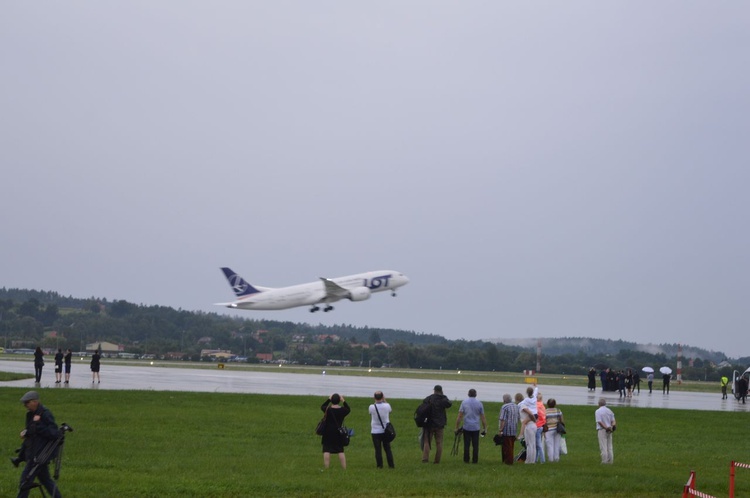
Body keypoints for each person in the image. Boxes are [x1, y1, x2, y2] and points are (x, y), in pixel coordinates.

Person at [16, 391, 63, 498]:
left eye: (27, 403)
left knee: (25, 482)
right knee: (46, 480)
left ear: (35, 402)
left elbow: (54, 433)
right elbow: (31, 433)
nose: (25, 406)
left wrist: (38, 426)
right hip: (33, 454)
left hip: (40, 455)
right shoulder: (30, 414)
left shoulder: (45, 414)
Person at [454, 388, 487, 464]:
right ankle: (475, 460)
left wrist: (456, 427)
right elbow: (482, 417)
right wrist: (485, 428)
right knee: (475, 445)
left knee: (467, 444)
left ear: (468, 394)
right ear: (476, 394)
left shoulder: (464, 402)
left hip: (467, 427)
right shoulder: (479, 403)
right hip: (476, 427)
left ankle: (466, 459)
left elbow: (460, 416)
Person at [421, 385, 452, 464]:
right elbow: (449, 404)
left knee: (427, 441)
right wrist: (443, 395)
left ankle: (425, 458)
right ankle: (437, 460)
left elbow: (423, 403)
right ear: (441, 390)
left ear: (434, 390)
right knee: (439, 443)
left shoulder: (429, 398)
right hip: (440, 424)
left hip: (429, 423)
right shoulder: (443, 399)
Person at [320, 393, 350, 469]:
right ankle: (344, 467)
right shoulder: (343, 410)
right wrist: (343, 400)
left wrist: (328, 399)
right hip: (338, 432)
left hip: (328, 431)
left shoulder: (327, 409)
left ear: (332, 400)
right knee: (340, 450)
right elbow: (348, 409)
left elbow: (322, 406)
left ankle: (326, 467)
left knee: (326, 450)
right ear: (339, 401)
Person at [368, 391, 394, 469]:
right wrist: (384, 400)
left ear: (374, 397)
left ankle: (379, 465)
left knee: (378, 449)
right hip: (386, 430)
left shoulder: (371, 407)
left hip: (375, 431)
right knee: (387, 449)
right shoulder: (387, 406)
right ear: (382, 397)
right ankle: (391, 465)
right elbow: (390, 411)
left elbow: (370, 413)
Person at [517, 384, 538, 464]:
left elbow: (521, 404)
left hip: (529, 425)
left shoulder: (524, 402)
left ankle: (529, 461)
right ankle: (533, 460)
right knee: (533, 444)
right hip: (534, 423)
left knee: (529, 444)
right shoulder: (534, 398)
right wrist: (536, 387)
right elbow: (536, 391)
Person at [498, 393, 520, 465]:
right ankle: (508, 460)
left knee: (507, 446)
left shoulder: (504, 407)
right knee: (511, 445)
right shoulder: (516, 406)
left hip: (507, 429)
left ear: (504, 400)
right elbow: (518, 417)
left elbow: (503, 419)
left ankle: (509, 461)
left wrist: (501, 429)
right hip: (514, 428)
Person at [595, 398, 616, 464]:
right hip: (610, 429)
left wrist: (605, 428)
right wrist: (611, 427)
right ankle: (610, 461)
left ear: (599, 404)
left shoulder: (598, 411)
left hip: (602, 430)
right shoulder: (609, 411)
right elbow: (613, 420)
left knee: (603, 446)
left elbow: (599, 422)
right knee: (609, 446)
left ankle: (604, 461)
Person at [544, 398, 564, 462]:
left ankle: (551, 459)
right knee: (557, 444)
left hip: (548, 429)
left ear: (547, 404)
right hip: (557, 429)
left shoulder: (545, 411)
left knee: (550, 445)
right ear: (555, 404)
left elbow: (544, 421)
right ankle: (556, 458)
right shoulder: (558, 410)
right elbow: (562, 420)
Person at [534, 393, 546, 463]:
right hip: (541, 426)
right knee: (538, 444)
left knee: (538, 445)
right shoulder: (543, 406)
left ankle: (542, 460)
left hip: (537, 426)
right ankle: (536, 459)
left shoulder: (536, 406)